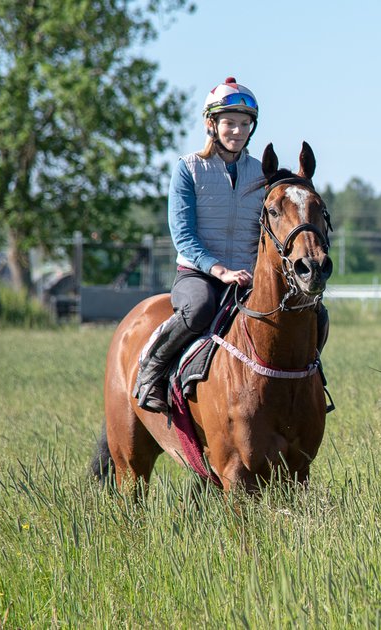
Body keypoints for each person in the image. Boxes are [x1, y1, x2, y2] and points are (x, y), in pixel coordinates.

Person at [132, 77, 265, 413]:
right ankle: (153, 369)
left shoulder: (262, 174)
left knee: (310, 315)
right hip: (199, 275)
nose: (237, 131)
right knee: (201, 307)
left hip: (248, 276)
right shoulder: (189, 168)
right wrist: (219, 270)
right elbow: (183, 235)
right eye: (229, 123)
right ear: (211, 124)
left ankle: (306, 384)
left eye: (244, 124)